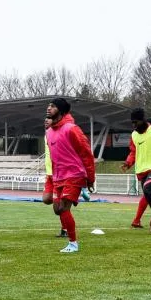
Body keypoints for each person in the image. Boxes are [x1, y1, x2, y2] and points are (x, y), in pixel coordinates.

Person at [45, 98, 96, 253]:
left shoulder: (71, 129)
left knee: (63, 207)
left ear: (60, 111)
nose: (48, 108)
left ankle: (73, 244)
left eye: (52, 106)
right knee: (57, 209)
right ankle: (76, 195)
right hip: (58, 177)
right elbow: (54, 158)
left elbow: (86, 154)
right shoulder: (49, 132)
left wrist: (90, 178)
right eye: (49, 105)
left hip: (74, 174)